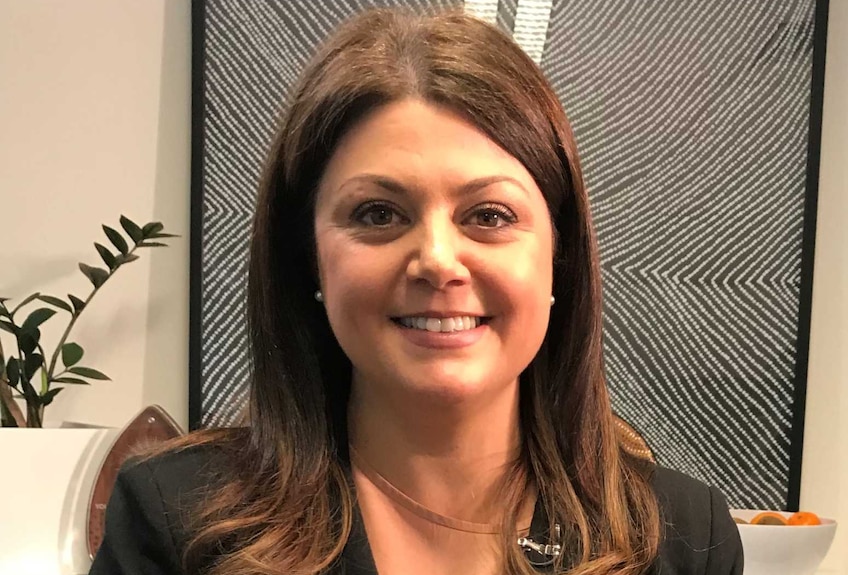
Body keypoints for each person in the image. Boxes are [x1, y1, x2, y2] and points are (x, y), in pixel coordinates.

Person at [90, 7, 742, 575]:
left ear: (559, 258)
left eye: (488, 215)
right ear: (310, 258)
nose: (436, 259)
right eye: (378, 213)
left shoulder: (682, 540)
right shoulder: (177, 525)